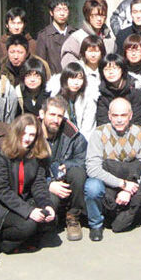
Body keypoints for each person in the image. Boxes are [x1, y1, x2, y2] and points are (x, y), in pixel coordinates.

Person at [84, 98, 141, 241]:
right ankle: (96, 224)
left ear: (130, 115)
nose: (119, 120)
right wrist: (121, 184)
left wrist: (128, 190)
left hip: (131, 178)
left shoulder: (140, 133)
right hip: (107, 179)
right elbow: (93, 169)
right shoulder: (98, 133)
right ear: (109, 116)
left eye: (123, 115)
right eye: (115, 115)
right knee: (92, 187)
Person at [0, 114, 54, 254]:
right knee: (28, 225)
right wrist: (29, 211)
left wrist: (46, 205)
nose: (27, 138)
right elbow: (2, 190)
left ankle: (28, 240)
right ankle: (5, 243)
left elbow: (38, 184)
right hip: (6, 206)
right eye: (24, 133)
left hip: (26, 199)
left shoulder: (36, 154)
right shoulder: (2, 154)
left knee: (51, 208)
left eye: (32, 135)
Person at [39, 96, 88, 241]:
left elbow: (84, 159)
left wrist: (67, 165)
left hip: (65, 179)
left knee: (78, 173)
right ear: (42, 114)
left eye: (59, 116)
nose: (56, 119)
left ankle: (73, 217)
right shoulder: (31, 133)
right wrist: (48, 184)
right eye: (52, 114)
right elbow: (27, 168)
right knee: (51, 202)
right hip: (41, 183)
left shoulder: (72, 133)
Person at [46, 61, 99, 140]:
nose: (76, 83)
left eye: (80, 79)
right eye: (72, 78)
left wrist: (81, 142)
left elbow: (89, 125)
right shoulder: (56, 96)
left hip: (83, 138)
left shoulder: (89, 96)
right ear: (65, 79)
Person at [60, 0, 115, 68]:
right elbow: (68, 64)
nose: (99, 19)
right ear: (88, 16)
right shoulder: (77, 38)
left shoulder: (109, 39)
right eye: (95, 15)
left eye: (102, 15)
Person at [96, 53, 141, 129]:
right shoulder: (102, 92)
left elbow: (138, 120)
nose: (111, 72)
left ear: (122, 70)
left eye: (114, 68)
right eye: (106, 69)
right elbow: (102, 121)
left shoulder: (134, 89)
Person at [35, 0, 77, 74]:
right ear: (51, 12)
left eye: (65, 10)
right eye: (58, 10)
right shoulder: (44, 36)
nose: (62, 13)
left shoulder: (75, 34)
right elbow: (41, 64)